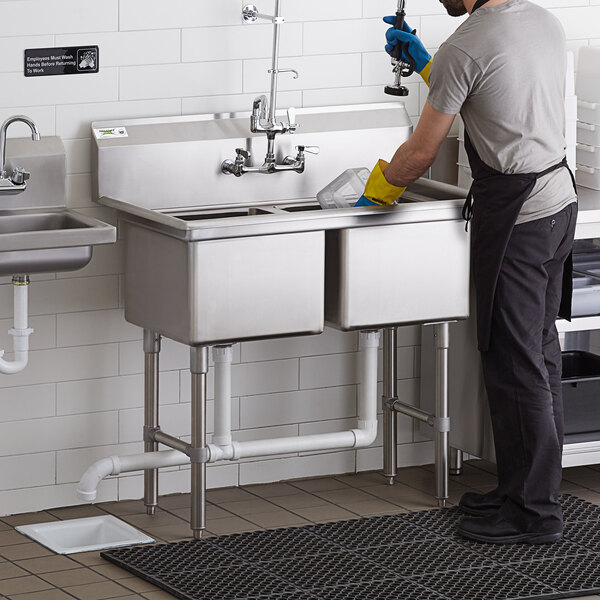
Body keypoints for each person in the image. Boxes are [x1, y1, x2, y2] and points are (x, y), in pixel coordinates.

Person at [358, 0, 578, 545]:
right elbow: (495, 93)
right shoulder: (542, 20)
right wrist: (431, 66)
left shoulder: (466, 45)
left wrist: (371, 196)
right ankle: (525, 489)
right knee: (537, 353)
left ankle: (535, 513)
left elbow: (418, 156)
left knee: (515, 360)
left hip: (520, 220)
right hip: (557, 203)